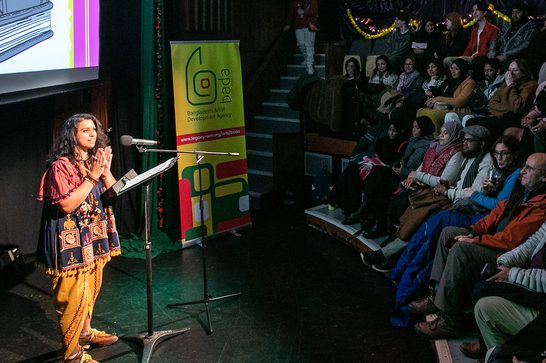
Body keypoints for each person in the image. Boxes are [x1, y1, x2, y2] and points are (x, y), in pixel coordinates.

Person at [383, 135, 522, 326]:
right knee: (435, 227)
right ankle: (416, 280)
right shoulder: (501, 171)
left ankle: (419, 289)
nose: (499, 158)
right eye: (496, 153)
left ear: (514, 154)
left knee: (440, 227)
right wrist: (488, 190)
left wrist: (474, 195)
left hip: (488, 226)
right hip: (480, 219)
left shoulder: (515, 174)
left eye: (504, 154)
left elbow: (499, 206)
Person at [411, 153, 546, 339]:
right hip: (494, 242)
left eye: (529, 169)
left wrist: (474, 241)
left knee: (461, 248)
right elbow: (494, 215)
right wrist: (472, 231)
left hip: (505, 252)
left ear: (544, 176)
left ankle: (450, 320)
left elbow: (511, 240)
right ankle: (436, 295)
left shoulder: (542, 205)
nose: (522, 171)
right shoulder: (522, 192)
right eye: (524, 166)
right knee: (449, 232)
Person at [36, 114, 120, 363]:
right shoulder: (60, 166)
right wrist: (92, 176)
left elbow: (113, 194)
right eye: (86, 130)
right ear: (73, 135)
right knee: (72, 295)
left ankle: (85, 334)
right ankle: (72, 354)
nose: (93, 134)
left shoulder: (94, 162)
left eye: (94, 129)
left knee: (90, 289)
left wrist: (105, 173)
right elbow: (66, 205)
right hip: (69, 240)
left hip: (92, 234)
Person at [364, 125, 494, 269]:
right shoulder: (469, 156)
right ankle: (391, 253)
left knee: (421, 218)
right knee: (413, 209)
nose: (464, 143)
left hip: (461, 204)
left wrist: (446, 190)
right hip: (449, 195)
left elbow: (472, 194)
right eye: (464, 139)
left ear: (482, 143)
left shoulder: (484, 162)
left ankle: (389, 255)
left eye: (469, 140)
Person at [459, 219, 546, 361]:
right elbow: (533, 242)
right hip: (528, 276)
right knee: (478, 274)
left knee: (482, 289)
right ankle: (492, 351)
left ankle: (495, 353)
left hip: (539, 293)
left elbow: (512, 236)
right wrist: (505, 263)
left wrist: (511, 274)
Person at [358, 116, 434, 237]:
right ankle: (374, 217)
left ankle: (374, 217)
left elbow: (419, 168)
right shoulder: (413, 141)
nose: (413, 130)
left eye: (417, 128)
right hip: (399, 173)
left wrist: (402, 170)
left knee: (380, 176)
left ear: (424, 129)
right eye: (413, 127)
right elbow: (403, 160)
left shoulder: (428, 146)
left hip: (410, 178)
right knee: (378, 174)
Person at [467, 58, 537, 140]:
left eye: (515, 70)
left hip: (515, 121)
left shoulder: (530, 85)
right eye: (509, 70)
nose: (511, 74)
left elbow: (517, 107)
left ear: (524, 73)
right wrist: (509, 111)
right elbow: (492, 104)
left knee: (484, 125)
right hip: (502, 116)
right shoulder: (505, 84)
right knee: (470, 122)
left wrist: (510, 86)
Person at [418, 58, 477, 134]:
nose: (452, 71)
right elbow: (438, 94)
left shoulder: (470, 82)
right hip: (447, 109)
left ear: (463, 70)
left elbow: (459, 102)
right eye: (451, 68)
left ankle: (438, 137)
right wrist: (433, 99)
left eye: (456, 69)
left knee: (433, 114)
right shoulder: (451, 81)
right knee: (421, 111)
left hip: (460, 111)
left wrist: (439, 99)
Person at [445, 1, 500, 68]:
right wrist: (461, 58)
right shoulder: (474, 31)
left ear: (484, 12)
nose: (474, 13)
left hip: (481, 59)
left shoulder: (494, 30)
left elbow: (491, 51)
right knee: (447, 61)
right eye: (473, 10)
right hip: (470, 58)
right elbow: (469, 48)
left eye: (477, 10)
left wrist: (468, 58)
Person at [487, 0, 537, 70]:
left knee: (503, 65)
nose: (514, 15)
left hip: (515, 57)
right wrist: (491, 54)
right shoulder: (509, 24)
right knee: (482, 61)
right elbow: (496, 39)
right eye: (513, 12)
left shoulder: (530, 26)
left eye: (518, 12)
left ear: (525, 13)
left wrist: (505, 56)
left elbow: (525, 45)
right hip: (499, 55)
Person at [283, 0, 319, 75]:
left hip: (309, 23)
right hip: (298, 24)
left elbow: (314, 12)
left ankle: (309, 66)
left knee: (309, 45)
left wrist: (303, 12)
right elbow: (291, 11)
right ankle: (307, 58)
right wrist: (288, 23)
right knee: (300, 44)